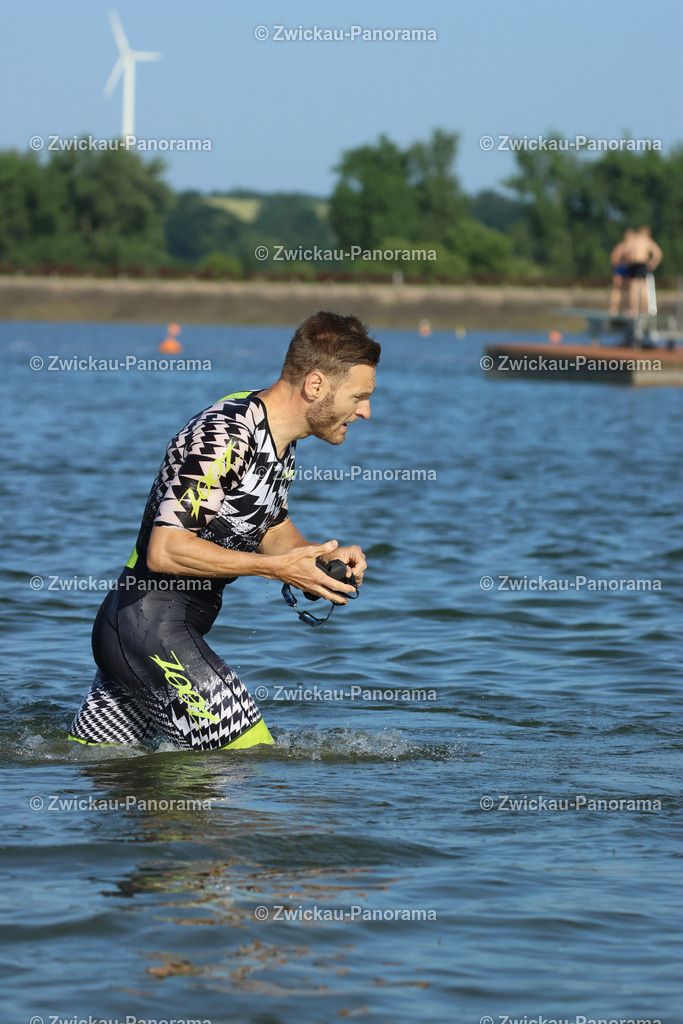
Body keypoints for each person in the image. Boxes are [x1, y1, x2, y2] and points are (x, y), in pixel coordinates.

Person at [69, 311, 380, 751]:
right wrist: (277, 570)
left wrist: (313, 560)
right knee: (249, 761)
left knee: (97, 772)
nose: (365, 411)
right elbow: (166, 548)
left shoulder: (279, 439)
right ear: (315, 386)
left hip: (141, 637)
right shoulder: (227, 435)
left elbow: (267, 524)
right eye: (359, 396)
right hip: (150, 630)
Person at [622, 225, 663, 316]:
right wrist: (652, 263)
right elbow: (658, 253)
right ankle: (645, 311)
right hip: (643, 264)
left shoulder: (636, 240)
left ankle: (634, 310)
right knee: (643, 289)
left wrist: (629, 260)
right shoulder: (647, 241)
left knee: (635, 288)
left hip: (636, 264)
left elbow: (627, 250)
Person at [608, 229, 634, 316]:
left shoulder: (623, 246)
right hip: (622, 268)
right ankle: (614, 308)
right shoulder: (623, 247)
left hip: (624, 268)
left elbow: (613, 258)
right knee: (618, 289)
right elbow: (614, 258)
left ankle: (618, 308)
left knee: (625, 290)